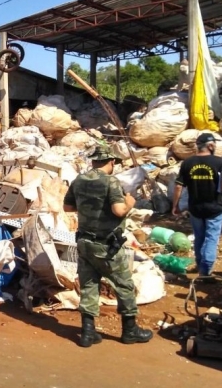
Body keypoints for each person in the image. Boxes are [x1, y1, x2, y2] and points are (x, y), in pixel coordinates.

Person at [63, 145, 153, 348]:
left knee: (88, 285)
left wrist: (89, 206)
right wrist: (129, 201)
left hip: (85, 242)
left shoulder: (79, 180)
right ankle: (130, 331)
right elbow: (119, 210)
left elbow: (67, 207)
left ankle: (87, 333)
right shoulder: (111, 181)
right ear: (111, 162)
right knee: (124, 285)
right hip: (107, 246)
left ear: (93, 161)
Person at [172, 133, 222, 276]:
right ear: (210, 145)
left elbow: (179, 186)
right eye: (214, 144)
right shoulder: (219, 162)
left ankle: (199, 264)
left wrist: (175, 205)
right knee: (211, 238)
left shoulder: (187, 163)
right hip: (214, 208)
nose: (215, 146)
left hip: (195, 208)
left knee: (199, 237)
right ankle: (206, 271)